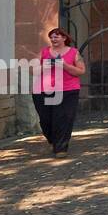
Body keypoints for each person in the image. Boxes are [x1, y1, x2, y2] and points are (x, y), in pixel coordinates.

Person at [34, 28, 85, 158]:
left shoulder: (74, 53)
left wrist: (64, 65)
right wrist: (43, 67)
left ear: (64, 38)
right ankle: (52, 140)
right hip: (43, 90)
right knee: (45, 119)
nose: (53, 39)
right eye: (51, 37)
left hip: (67, 90)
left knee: (63, 118)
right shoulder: (44, 52)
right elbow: (32, 69)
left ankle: (61, 148)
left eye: (56, 36)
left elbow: (81, 71)